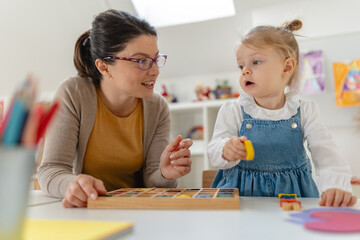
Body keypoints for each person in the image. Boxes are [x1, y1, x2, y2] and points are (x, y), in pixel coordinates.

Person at [38, 9, 193, 208]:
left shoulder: (157, 107)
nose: (154, 71)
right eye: (141, 61)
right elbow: (51, 170)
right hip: (88, 210)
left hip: (138, 212)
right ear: (104, 67)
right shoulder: (73, 93)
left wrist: (165, 173)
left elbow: (153, 181)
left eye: (155, 59)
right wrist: (73, 184)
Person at [208, 19, 357, 207]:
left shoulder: (305, 111)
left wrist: (335, 185)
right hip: (242, 200)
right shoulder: (232, 110)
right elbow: (214, 151)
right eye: (241, 66)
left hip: (294, 198)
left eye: (255, 62)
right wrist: (225, 149)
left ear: (287, 67)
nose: (245, 71)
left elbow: (327, 153)